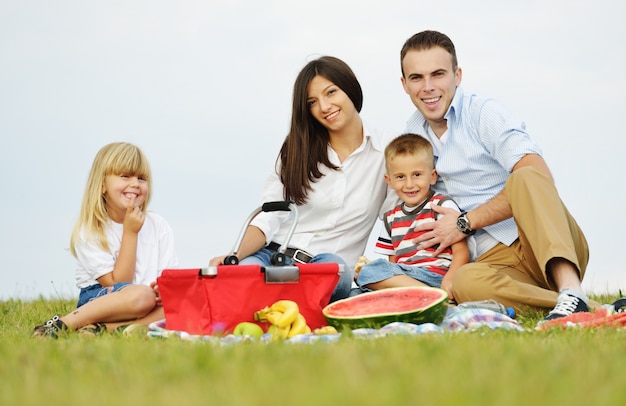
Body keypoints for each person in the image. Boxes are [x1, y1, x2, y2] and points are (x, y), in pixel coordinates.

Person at [399, 30, 592, 320]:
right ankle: (580, 308)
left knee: (525, 174)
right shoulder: (413, 137)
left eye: (438, 74)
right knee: (465, 282)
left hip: (541, 238)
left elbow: (539, 175)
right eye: (416, 78)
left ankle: (571, 288)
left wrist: (465, 222)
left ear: (457, 75)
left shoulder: (483, 113)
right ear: (404, 84)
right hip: (494, 263)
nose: (428, 87)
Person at [209, 56, 395, 302]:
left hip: (326, 267)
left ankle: (267, 300)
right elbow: (270, 215)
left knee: (335, 272)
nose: (325, 106)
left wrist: (399, 276)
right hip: (272, 256)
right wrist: (234, 255)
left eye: (331, 92)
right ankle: (268, 299)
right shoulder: (296, 148)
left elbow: (397, 218)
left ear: (350, 88)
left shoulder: (388, 152)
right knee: (240, 274)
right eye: (312, 102)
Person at [33, 142, 178, 337]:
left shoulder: (159, 225)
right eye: (125, 176)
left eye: (141, 178)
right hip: (103, 299)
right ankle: (63, 323)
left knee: (181, 304)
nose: (135, 184)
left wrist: (163, 290)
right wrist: (130, 233)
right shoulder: (91, 229)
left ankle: (105, 329)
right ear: (102, 185)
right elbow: (118, 282)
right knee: (141, 295)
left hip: (149, 302)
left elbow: (169, 279)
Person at [355, 133, 470, 301]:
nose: (409, 184)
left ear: (432, 176)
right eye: (400, 177)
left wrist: (451, 279)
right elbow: (393, 263)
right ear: (390, 181)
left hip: (436, 277)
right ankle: (421, 298)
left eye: (417, 175)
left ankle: (435, 297)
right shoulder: (390, 219)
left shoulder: (441, 206)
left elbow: (461, 251)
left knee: (369, 271)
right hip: (405, 278)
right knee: (355, 291)